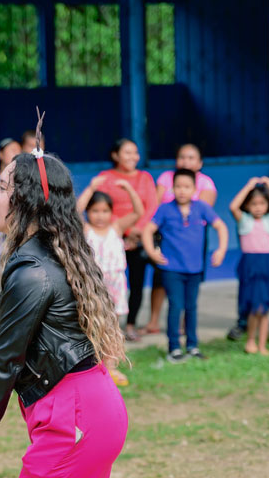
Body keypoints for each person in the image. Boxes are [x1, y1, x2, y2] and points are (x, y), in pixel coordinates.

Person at [0, 148, 128, 478]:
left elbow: (3, 360)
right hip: (86, 412)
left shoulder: (33, 270)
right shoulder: (44, 256)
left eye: (2, 187)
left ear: (26, 200)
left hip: (76, 419)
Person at [142, 169, 228, 363]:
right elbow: (148, 230)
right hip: (171, 268)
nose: (182, 190)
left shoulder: (202, 207)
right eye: (178, 186)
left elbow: (221, 226)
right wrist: (152, 252)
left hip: (195, 268)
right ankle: (174, 347)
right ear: (172, 188)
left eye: (187, 187)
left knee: (191, 307)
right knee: (176, 305)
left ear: (194, 189)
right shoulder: (164, 209)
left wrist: (221, 250)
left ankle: (192, 346)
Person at [79, 139, 158, 341]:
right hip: (112, 236)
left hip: (135, 238)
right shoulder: (105, 178)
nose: (133, 157)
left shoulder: (145, 177)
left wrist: (136, 230)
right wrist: (115, 227)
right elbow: (93, 208)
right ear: (115, 155)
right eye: (127, 152)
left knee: (136, 284)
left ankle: (129, 326)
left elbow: (149, 208)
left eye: (135, 152)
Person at [146, 144, 218, 335]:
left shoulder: (206, 183)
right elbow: (155, 204)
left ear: (200, 163)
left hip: (193, 239)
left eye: (191, 157)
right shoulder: (166, 178)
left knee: (190, 283)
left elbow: (203, 212)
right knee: (160, 278)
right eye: (182, 157)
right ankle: (153, 321)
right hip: (166, 235)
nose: (186, 161)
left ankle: (186, 323)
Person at [81, 187, 142, 386]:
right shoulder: (85, 229)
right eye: (95, 211)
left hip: (114, 285)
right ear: (88, 212)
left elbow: (138, 212)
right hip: (93, 285)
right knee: (91, 326)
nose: (100, 216)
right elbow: (74, 212)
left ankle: (111, 367)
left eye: (105, 211)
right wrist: (90, 189)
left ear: (112, 212)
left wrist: (129, 189)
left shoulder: (116, 228)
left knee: (113, 328)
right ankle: (92, 366)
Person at [228, 178, 269, 355]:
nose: (258, 208)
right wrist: (248, 186)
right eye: (254, 204)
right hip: (251, 267)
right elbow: (233, 207)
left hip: (267, 266)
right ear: (247, 205)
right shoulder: (244, 220)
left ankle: (262, 345)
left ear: (268, 205)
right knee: (254, 307)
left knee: (265, 308)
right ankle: (251, 341)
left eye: (262, 203)